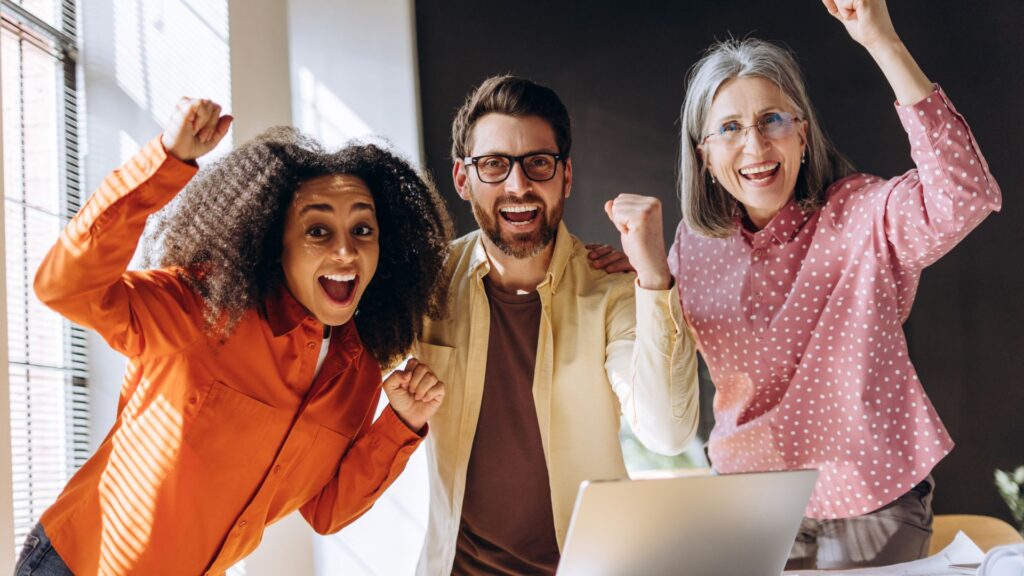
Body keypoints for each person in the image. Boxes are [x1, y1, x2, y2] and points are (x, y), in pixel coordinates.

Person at [15, 98, 454, 576]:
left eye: (362, 229)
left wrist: (400, 425)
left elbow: (326, 512)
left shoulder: (360, 372)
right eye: (318, 230)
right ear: (275, 240)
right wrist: (166, 160)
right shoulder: (204, 308)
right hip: (81, 562)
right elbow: (64, 287)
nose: (346, 250)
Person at [663, 0, 1001, 569]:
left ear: (801, 133)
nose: (755, 146)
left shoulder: (864, 215)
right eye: (730, 128)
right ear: (705, 156)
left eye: (772, 119)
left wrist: (882, 42)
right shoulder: (691, 247)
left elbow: (964, 193)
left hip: (872, 498)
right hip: (751, 501)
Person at [413, 75, 700, 575]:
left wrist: (654, 277)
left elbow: (668, 434)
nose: (518, 186)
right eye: (495, 165)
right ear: (463, 178)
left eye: (538, 164)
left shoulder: (613, 289)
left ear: (565, 176)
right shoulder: (425, 288)